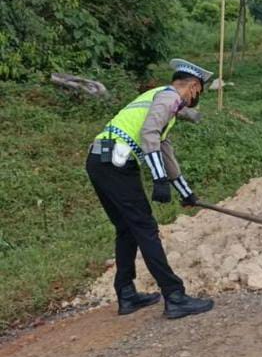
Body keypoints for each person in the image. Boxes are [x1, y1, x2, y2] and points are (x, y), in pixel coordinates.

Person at [85, 58, 215, 319]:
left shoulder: (160, 100)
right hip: (114, 163)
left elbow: (165, 152)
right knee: (145, 228)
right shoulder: (168, 99)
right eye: (198, 91)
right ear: (192, 86)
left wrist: (184, 191)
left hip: (100, 160)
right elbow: (149, 135)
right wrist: (158, 180)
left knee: (127, 229)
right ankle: (175, 296)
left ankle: (126, 293)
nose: (196, 97)